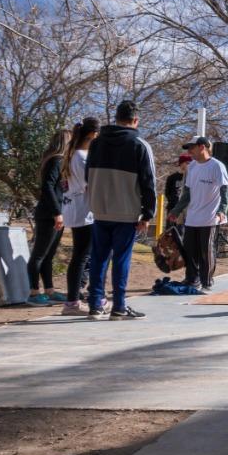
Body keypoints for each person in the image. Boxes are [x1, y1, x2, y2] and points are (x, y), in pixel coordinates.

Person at [85, 100, 156, 321]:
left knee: (98, 258)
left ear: (115, 118)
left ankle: (95, 304)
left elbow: (89, 175)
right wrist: (148, 213)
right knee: (122, 259)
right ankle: (119, 306)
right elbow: (149, 182)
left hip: (100, 209)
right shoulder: (140, 145)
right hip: (126, 211)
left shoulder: (96, 144)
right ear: (136, 120)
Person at [168, 136, 228, 293]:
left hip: (210, 218)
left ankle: (206, 281)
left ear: (202, 147)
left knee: (206, 251)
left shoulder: (217, 166)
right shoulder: (192, 167)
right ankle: (192, 280)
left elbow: (226, 189)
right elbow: (187, 194)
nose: (189, 152)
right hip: (192, 218)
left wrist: (222, 209)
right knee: (189, 251)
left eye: (192, 148)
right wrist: (176, 211)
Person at [60, 118, 101, 316]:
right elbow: (90, 185)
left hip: (76, 210)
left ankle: (75, 299)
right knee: (82, 256)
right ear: (93, 135)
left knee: (81, 256)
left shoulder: (73, 154)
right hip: (84, 211)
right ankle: (72, 302)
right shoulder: (82, 157)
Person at [26, 129, 71, 306]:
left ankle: (49, 290)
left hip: (57, 213)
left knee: (49, 255)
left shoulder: (59, 162)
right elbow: (48, 187)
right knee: (39, 254)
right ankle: (33, 291)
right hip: (49, 215)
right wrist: (56, 213)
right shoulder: (56, 161)